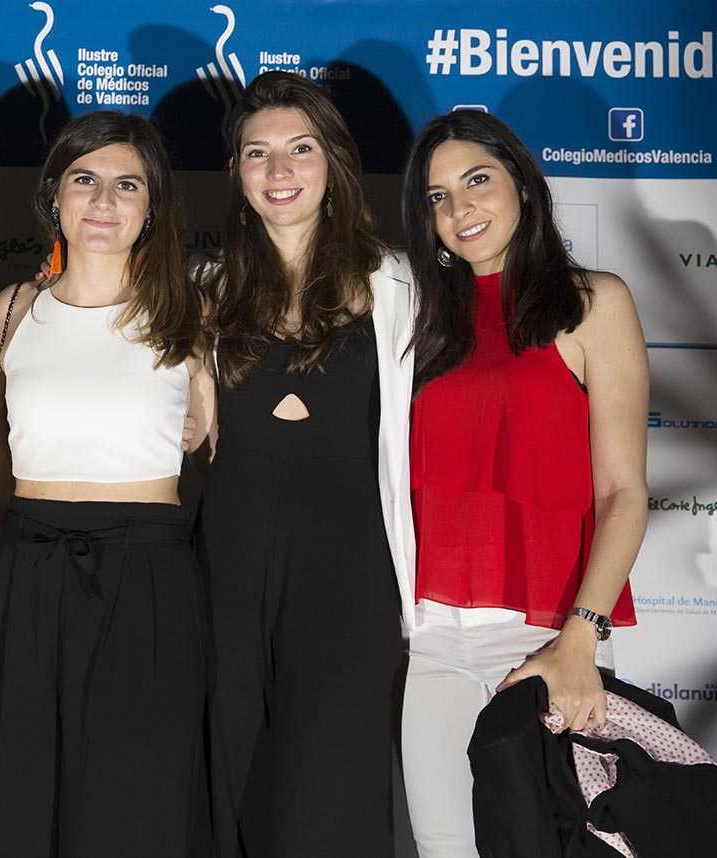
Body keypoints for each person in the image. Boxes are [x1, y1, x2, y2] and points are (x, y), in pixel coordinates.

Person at [400, 109, 648, 857]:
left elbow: (623, 494)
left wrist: (580, 640)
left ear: (522, 183)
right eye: (437, 197)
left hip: (550, 638)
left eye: (476, 179)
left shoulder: (592, 302)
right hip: (430, 645)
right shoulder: (412, 318)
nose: (459, 208)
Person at [0, 111, 214, 858]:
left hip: (148, 577)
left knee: (136, 804)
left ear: (152, 207)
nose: (104, 202)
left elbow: (217, 446)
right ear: (54, 196)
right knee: (24, 795)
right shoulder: (13, 309)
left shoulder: (191, 313)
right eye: (85, 180)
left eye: (126, 185)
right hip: (26, 572)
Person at [198, 70, 417, 858]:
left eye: (299, 150)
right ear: (236, 172)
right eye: (257, 153)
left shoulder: (400, 287)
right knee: (231, 786)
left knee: (331, 796)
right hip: (225, 576)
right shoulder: (205, 295)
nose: (279, 171)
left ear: (334, 164)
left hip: (348, 580)